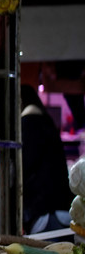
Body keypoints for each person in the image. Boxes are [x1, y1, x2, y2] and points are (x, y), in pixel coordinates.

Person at [21, 84, 74, 233]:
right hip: (61, 210)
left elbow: (24, 166)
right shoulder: (45, 120)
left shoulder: (29, 124)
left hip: (47, 214)